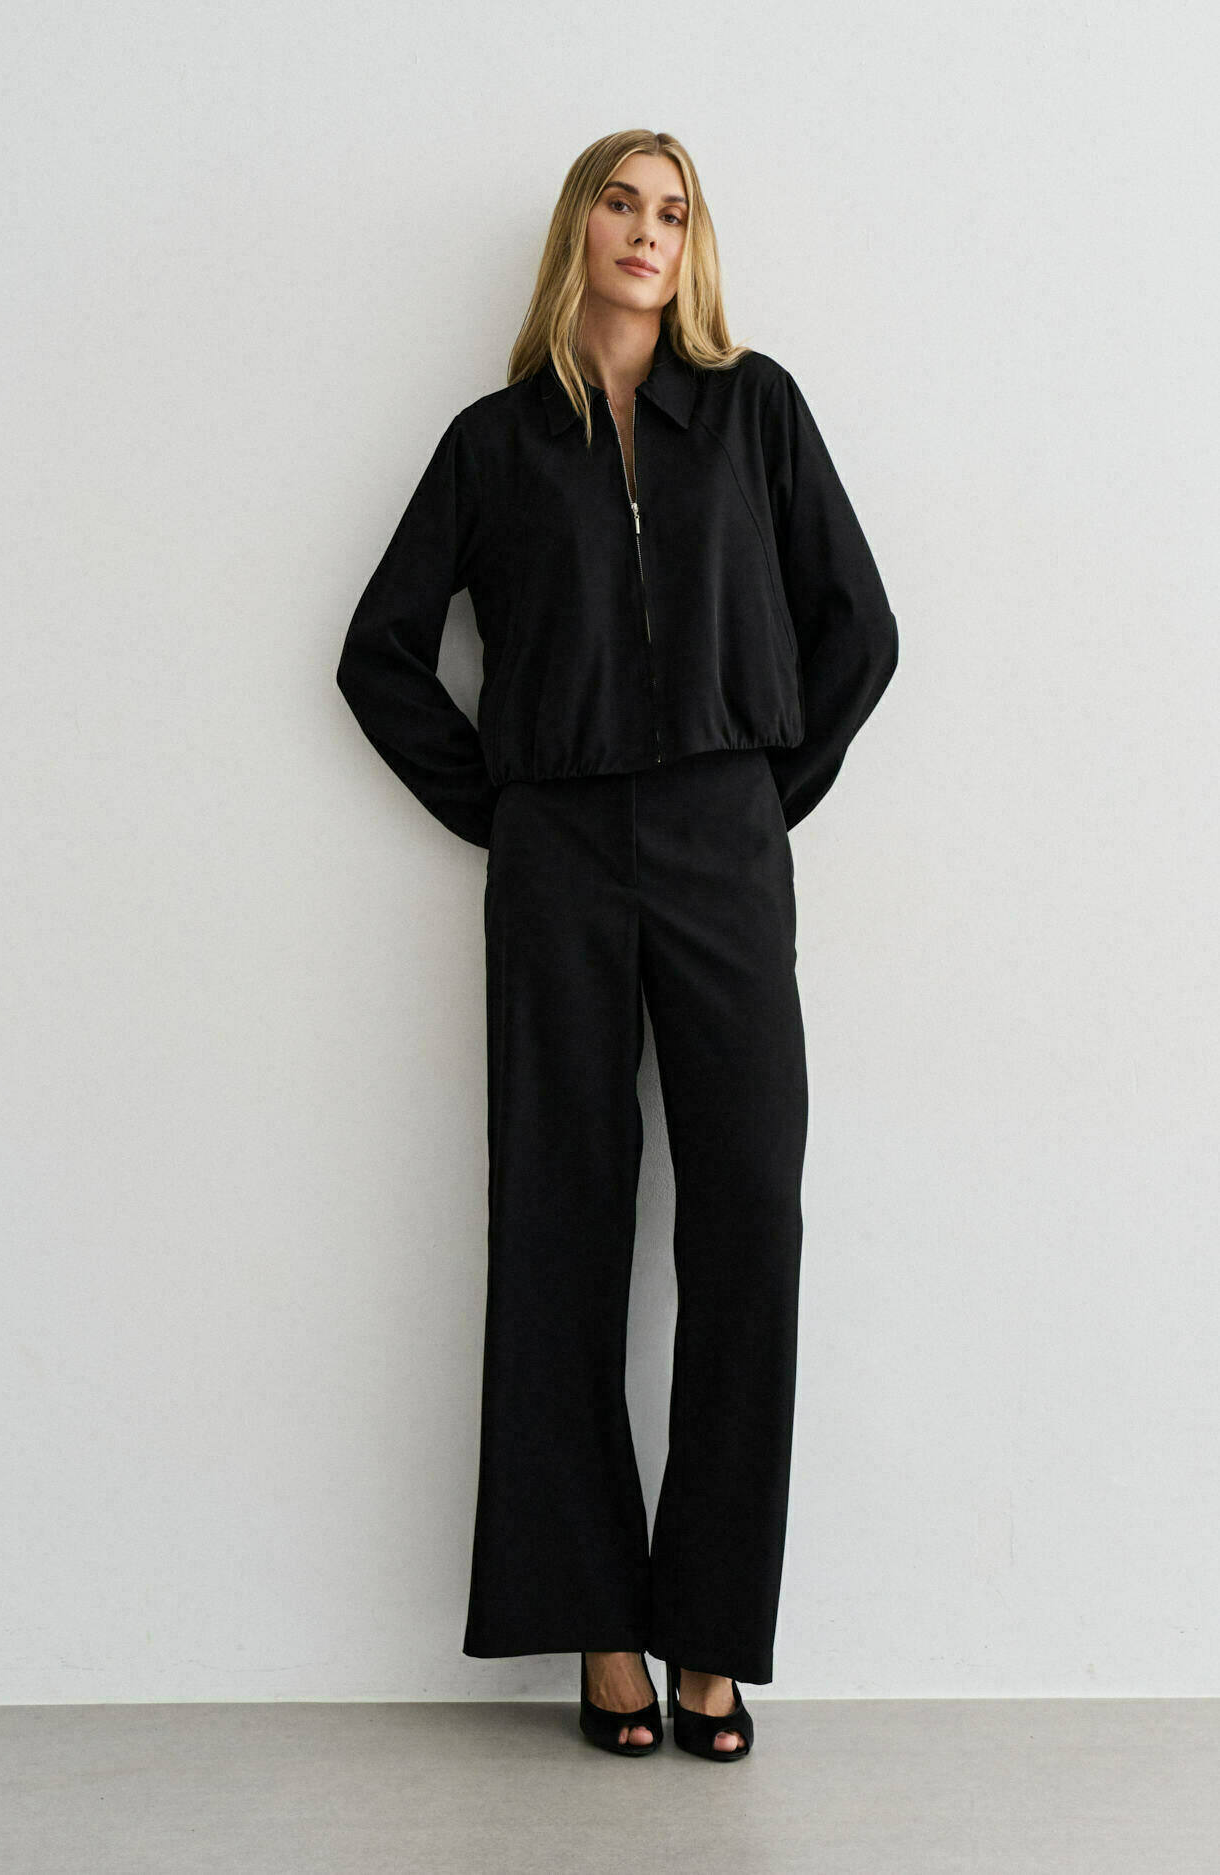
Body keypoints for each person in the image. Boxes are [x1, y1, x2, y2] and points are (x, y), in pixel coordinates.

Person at [335, 128, 899, 1761]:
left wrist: (755, 798)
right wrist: (508, 809)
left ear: (689, 244)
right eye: (620, 203)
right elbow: (377, 653)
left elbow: (860, 629)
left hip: (723, 843)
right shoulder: (495, 442)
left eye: (672, 210)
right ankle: (597, 1624)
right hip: (560, 858)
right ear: (577, 230)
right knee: (559, 1220)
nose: (646, 231)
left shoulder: (754, 409)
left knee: (748, 1222)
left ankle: (711, 1636)